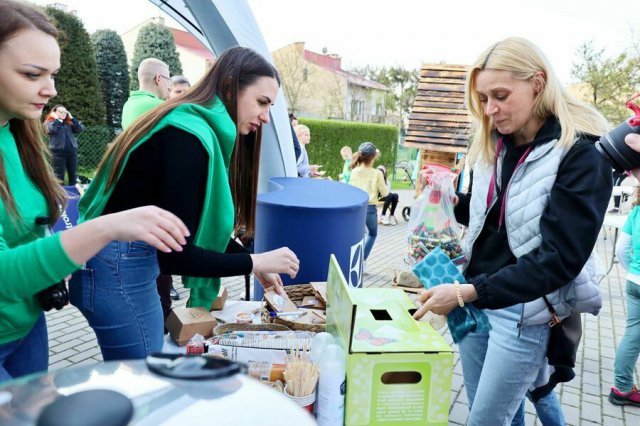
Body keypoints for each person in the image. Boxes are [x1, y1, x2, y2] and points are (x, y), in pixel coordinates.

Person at [413, 37, 611, 425]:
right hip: (471, 298)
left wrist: (466, 292)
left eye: (500, 95)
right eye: (483, 99)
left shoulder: (581, 154)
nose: (490, 110)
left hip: (521, 313)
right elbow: (498, 215)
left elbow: (559, 258)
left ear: (537, 83)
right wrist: (448, 201)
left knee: (486, 420)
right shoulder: (494, 143)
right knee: (499, 414)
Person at [0, 0, 189, 382]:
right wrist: (105, 228)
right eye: (33, 74)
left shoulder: (19, 131)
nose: (50, 89)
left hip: (26, 327)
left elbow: (28, 228)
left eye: (53, 74)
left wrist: (54, 262)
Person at [72, 46, 300, 361]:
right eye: (262, 102)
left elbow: (193, 231)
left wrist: (252, 259)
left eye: (270, 106)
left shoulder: (192, 125)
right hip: (118, 270)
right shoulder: (188, 137)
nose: (266, 116)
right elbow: (177, 255)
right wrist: (255, 263)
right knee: (146, 376)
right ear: (231, 87)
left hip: (121, 265)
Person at [610, 187, 640, 406]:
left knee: (632, 334)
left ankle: (622, 386)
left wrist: (633, 271)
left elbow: (621, 248)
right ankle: (622, 388)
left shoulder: (636, 212)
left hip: (634, 280)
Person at [349, 142, 388, 263]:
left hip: (356, 207)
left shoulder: (354, 171)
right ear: (374, 157)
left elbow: (351, 189)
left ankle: (351, 261)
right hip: (370, 207)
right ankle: (362, 260)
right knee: (372, 233)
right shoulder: (377, 173)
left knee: (357, 235)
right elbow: (385, 193)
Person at [121, 58, 170, 129]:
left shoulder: (128, 105)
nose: (169, 86)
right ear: (158, 78)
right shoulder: (160, 107)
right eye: (168, 80)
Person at [44, 104, 83, 185]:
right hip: (58, 154)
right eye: (60, 112)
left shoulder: (68, 123)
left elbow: (79, 129)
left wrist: (72, 118)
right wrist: (56, 119)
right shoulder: (49, 123)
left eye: (65, 112)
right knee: (59, 177)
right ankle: (60, 196)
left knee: (73, 176)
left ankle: (74, 194)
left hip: (72, 152)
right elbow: (52, 130)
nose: (63, 113)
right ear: (54, 113)